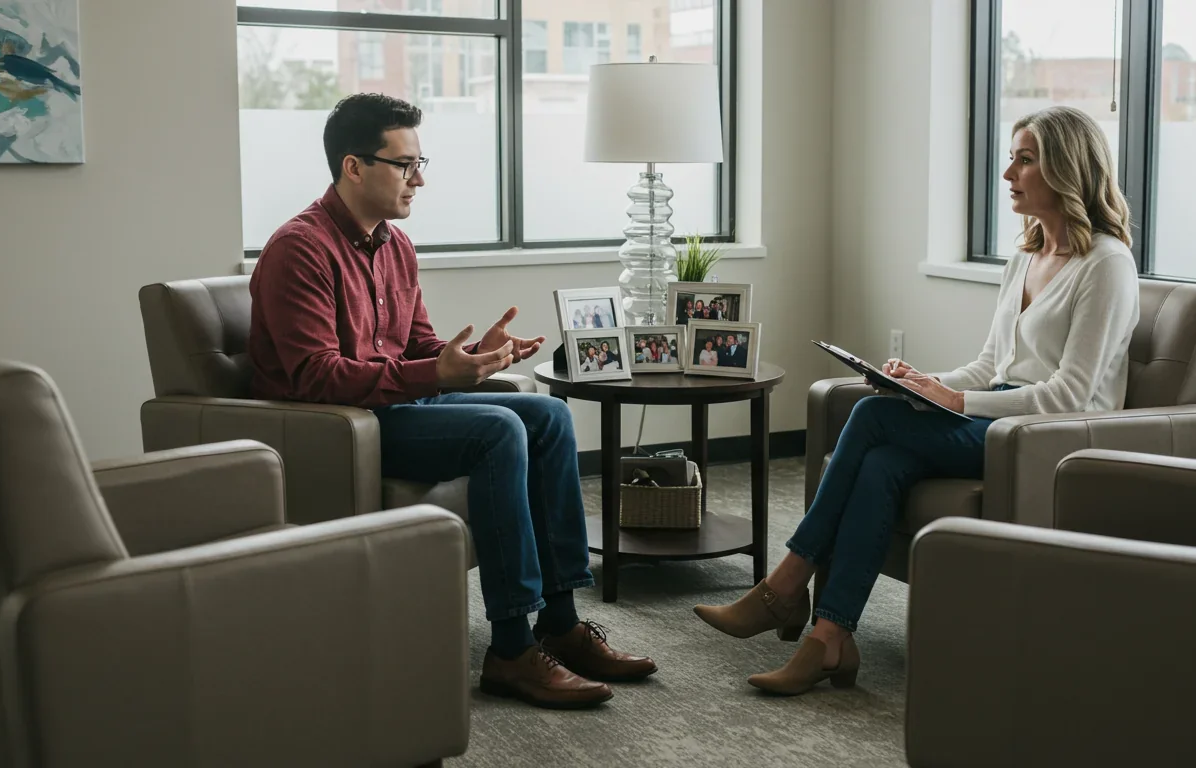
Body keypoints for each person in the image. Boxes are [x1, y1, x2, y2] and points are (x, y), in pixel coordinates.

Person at [693, 105, 1140, 695]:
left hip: (1043, 439)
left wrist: (955, 400)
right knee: (881, 459)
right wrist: (922, 381)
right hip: (998, 413)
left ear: (1066, 168)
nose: (1009, 174)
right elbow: (992, 365)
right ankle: (830, 640)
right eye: (1012, 157)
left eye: (1024, 160)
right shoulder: (1026, 257)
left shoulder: (1105, 264)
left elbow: (1069, 396)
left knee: (873, 415)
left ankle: (787, 583)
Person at [247, 94, 655, 710]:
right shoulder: (298, 249)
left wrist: (473, 359)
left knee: (547, 414)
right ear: (353, 167)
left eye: (421, 161)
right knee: (499, 431)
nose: (420, 179)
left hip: (395, 409)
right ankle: (513, 647)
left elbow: (416, 345)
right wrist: (435, 372)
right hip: (339, 427)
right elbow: (315, 376)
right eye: (405, 164)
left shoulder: (395, 246)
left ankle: (562, 621)